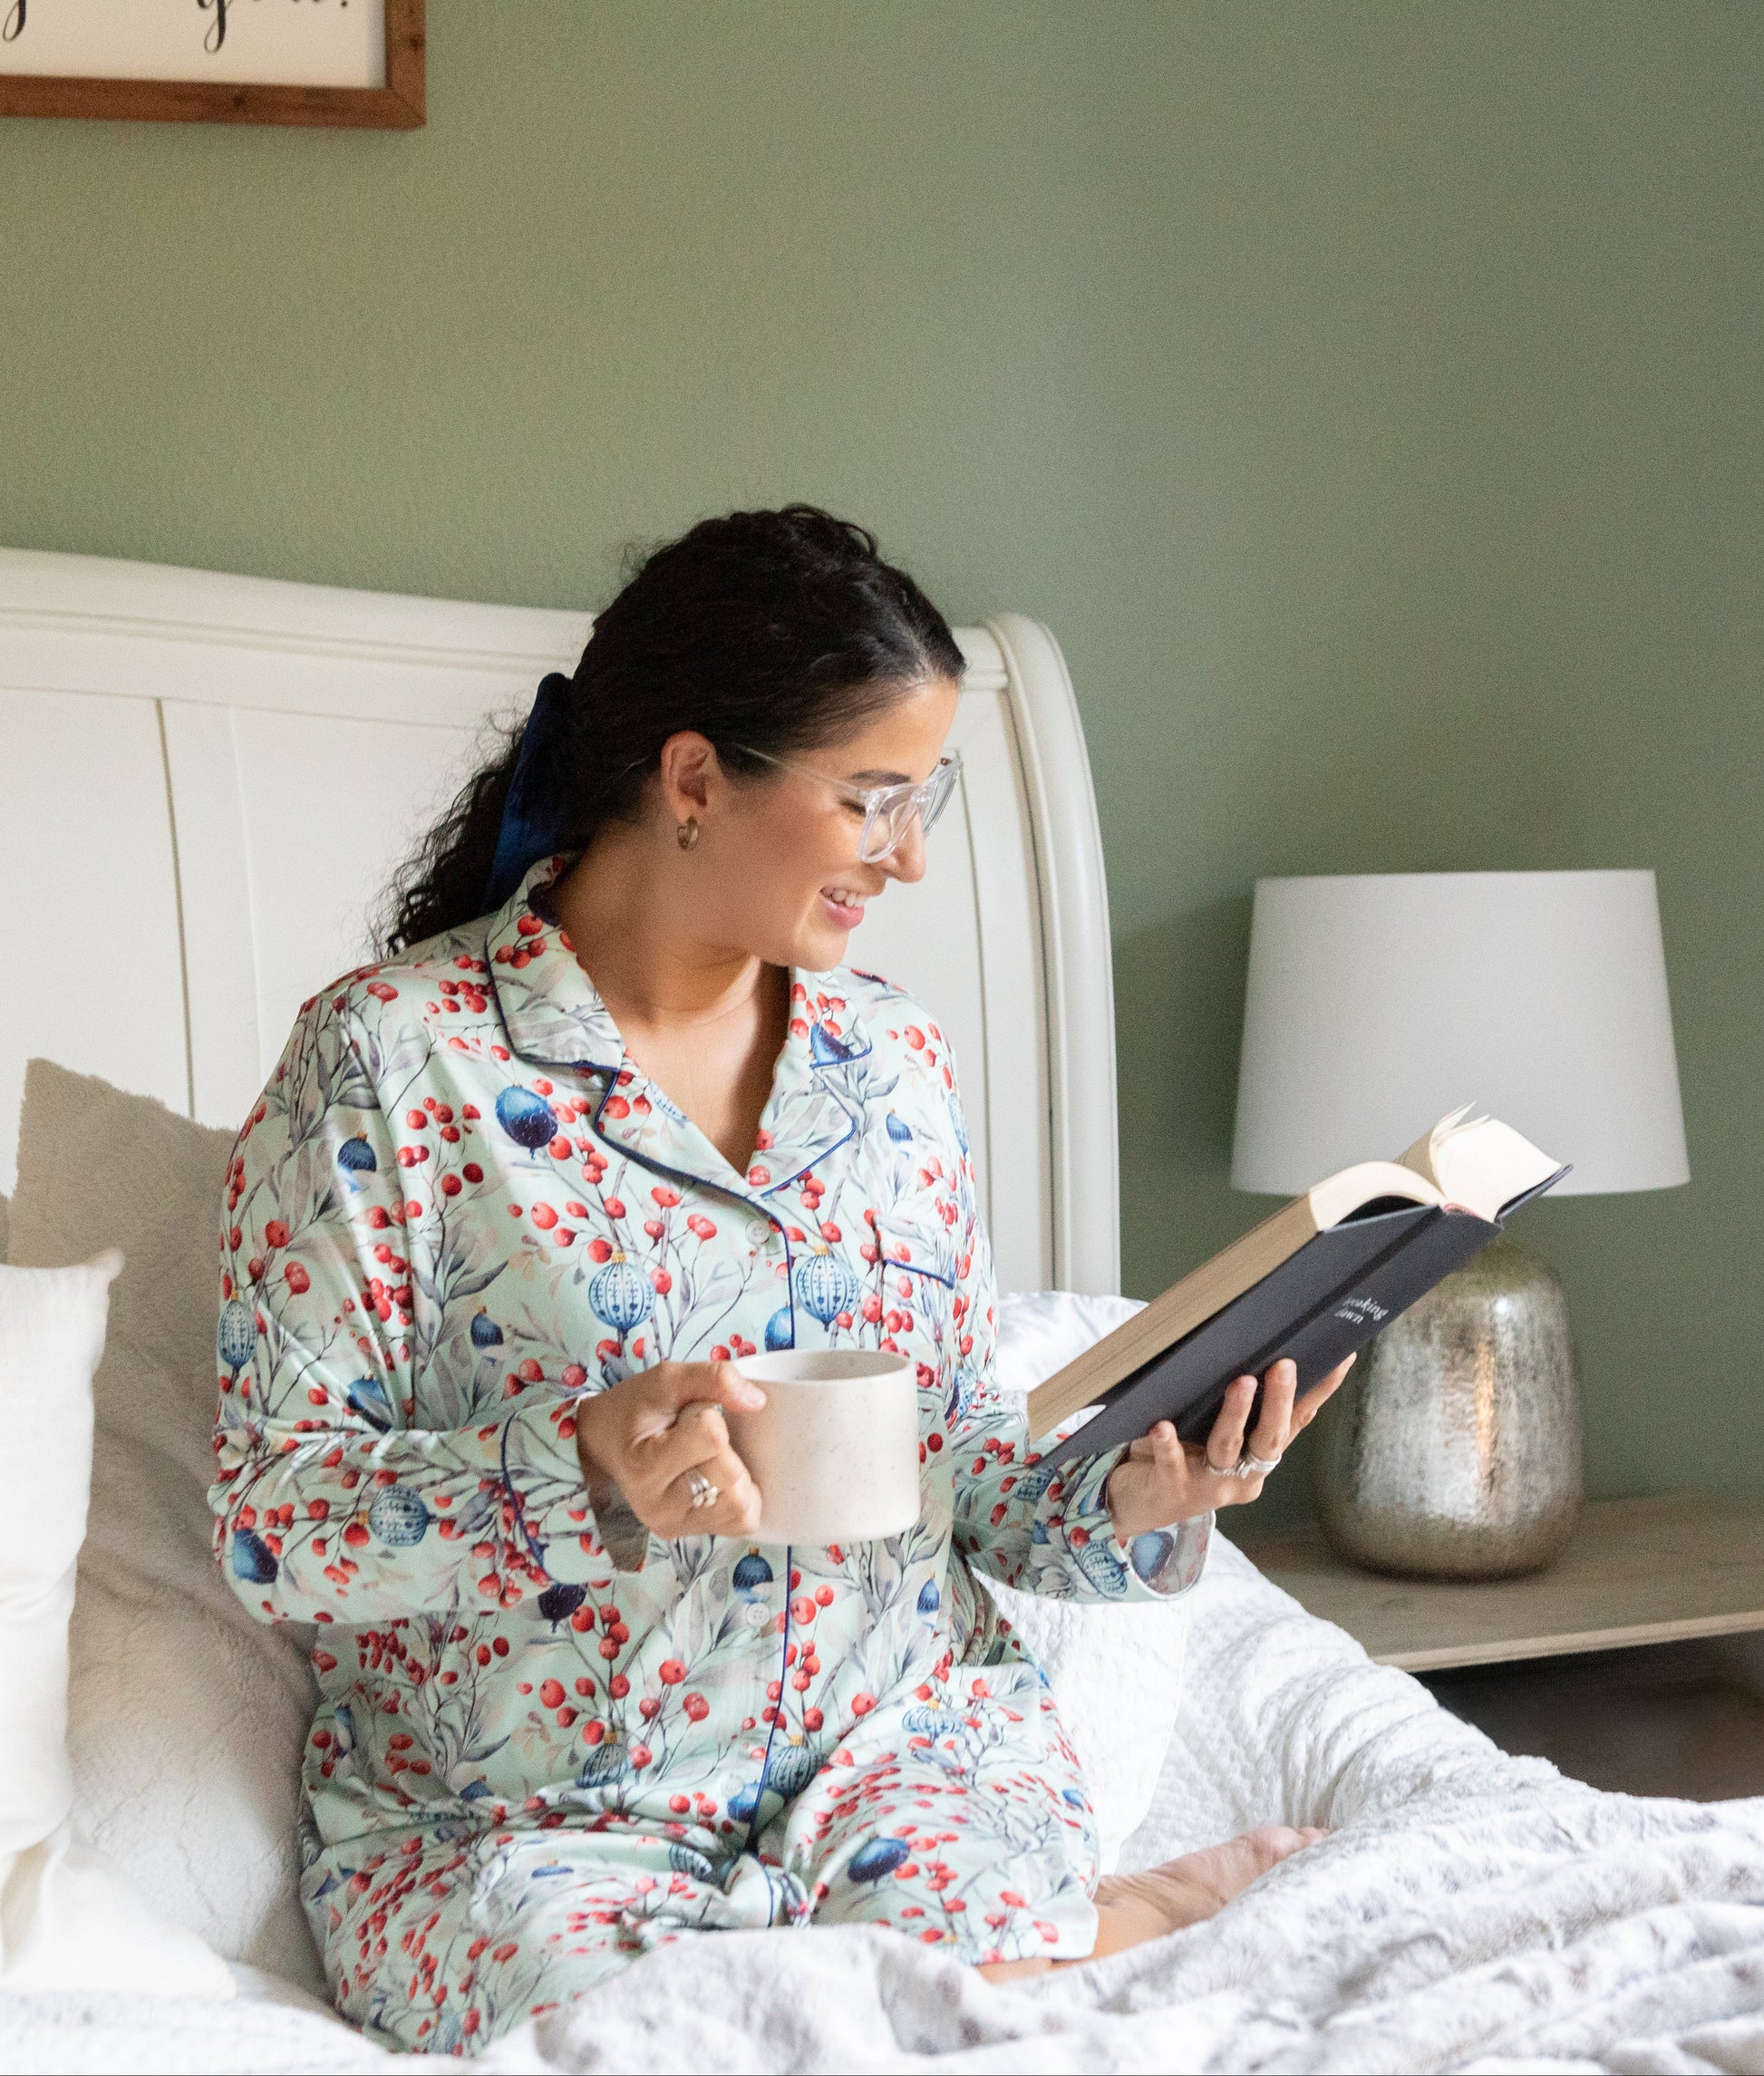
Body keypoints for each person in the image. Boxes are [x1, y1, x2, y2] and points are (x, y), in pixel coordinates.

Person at [210, 507, 1347, 2053]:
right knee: (692, 2036)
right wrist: (589, 1466)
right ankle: (1118, 1924)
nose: (913, 850)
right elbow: (279, 1525)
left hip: (900, 1754)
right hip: (532, 1823)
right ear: (693, 779)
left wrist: (1145, 1496)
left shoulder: (891, 1062)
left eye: (922, 793)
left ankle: (1075, 1927)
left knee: (944, 2007)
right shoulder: (389, 1062)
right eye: (872, 796)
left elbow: (962, 1471)